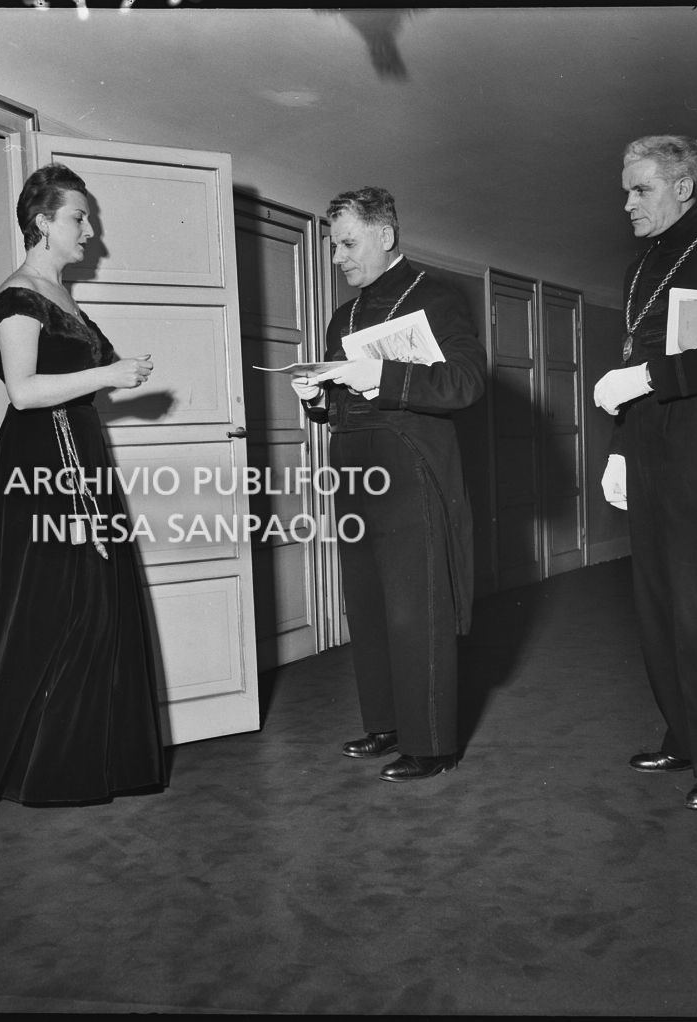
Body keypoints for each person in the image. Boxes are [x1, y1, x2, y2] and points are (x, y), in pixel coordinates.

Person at [0, 163, 167, 820]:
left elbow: (71, 382)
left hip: (80, 454)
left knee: (91, 605)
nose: (90, 230)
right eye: (80, 216)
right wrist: (108, 369)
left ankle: (73, 762)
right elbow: (22, 390)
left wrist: (114, 378)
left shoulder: (61, 295)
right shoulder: (17, 297)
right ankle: (40, 767)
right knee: (52, 608)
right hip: (45, 462)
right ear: (44, 220)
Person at [294, 186, 486, 782]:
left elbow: (466, 383)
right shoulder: (341, 317)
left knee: (415, 606)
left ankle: (432, 743)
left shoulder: (437, 297)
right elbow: (340, 401)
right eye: (333, 245)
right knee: (369, 602)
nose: (337, 258)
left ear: (386, 234)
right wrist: (317, 399)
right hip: (353, 468)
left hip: (411, 467)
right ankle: (385, 723)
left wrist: (381, 373)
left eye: (348, 243)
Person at [592, 135, 697, 812]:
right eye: (625, 191)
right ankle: (685, 737)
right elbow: (631, 354)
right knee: (656, 603)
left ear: (682, 188)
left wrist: (651, 376)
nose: (627, 203)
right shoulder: (639, 268)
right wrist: (616, 449)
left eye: (640, 189)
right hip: (644, 441)